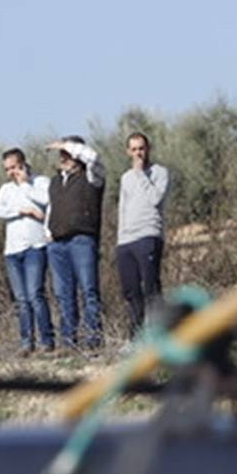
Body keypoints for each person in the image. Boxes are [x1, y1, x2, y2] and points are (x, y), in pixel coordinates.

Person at [0, 148, 54, 356]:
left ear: (24, 164)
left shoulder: (40, 182)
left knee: (35, 294)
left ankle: (47, 340)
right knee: (21, 298)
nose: (11, 172)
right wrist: (20, 211)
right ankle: (26, 342)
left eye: (15, 167)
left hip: (35, 247)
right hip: (13, 250)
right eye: (7, 169)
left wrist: (25, 183)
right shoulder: (6, 189)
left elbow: (45, 202)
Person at [45, 136, 105, 351]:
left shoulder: (91, 176)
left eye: (67, 153)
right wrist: (48, 234)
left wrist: (64, 144)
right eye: (62, 153)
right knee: (63, 294)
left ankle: (93, 340)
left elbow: (94, 157)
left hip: (82, 240)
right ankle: (69, 342)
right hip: (57, 245)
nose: (63, 157)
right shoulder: (54, 181)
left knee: (88, 291)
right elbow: (51, 210)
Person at [115, 132, 169, 338]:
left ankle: (160, 333)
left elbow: (155, 198)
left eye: (141, 148)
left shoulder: (159, 172)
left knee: (151, 286)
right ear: (128, 151)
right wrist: (120, 240)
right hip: (127, 239)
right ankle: (135, 336)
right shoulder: (125, 178)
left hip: (148, 234)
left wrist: (140, 174)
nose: (138, 153)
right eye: (134, 149)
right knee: (131, 291)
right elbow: (123, 208)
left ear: (148, 149)